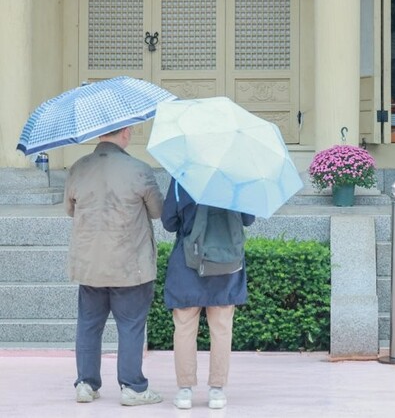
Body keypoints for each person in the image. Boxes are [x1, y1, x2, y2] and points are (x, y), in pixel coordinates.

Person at [64, 126, 164, 406]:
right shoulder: (139, 169)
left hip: (90, 264)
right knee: (131, 326)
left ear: (99, 135)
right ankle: (132, 387)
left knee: (88, 325)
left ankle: (86, 383)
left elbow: (69, 209)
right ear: (126, 134)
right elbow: (158, 211)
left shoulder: (78, 168)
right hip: (130, 266)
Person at [161, 179, 255, 410]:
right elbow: (248, 219)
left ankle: (184, 391)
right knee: (222, 328)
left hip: (188, 262)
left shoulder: (183, 176)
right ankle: (217, 391)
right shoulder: (236, 176)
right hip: (226, 265)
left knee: (184, 327)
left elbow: (169, 222)